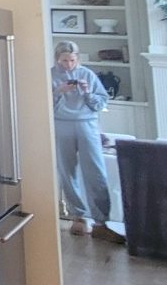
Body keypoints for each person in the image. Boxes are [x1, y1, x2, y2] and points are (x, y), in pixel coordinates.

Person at [51, 41, 124, 243]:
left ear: (77, 59)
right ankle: (78, 216)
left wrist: (87, 93)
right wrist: (58, 92)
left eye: (72, 60)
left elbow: (100, 103)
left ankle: (101, 222)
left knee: (95, 172)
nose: (68, 64)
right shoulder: (50, 76)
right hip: (61, 125)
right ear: (57, 59)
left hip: (87, 124)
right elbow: (41, 103)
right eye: (64, 61)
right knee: (67, 172)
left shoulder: (87, 74)